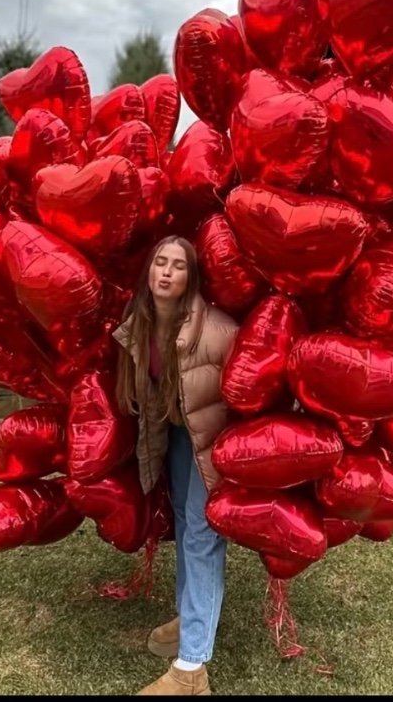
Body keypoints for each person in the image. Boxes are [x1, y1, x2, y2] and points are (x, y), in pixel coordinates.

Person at [113, 235, 239, 696]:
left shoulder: (217, 331)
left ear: (191, 278)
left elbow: (246, 397)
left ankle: (191, 671)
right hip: (182, 430)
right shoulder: (139, 323)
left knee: (203, 534)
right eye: (159, 263)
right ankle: (192, 622)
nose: (166, 272)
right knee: (187, 524)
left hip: (217, 437)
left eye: (178, 266)